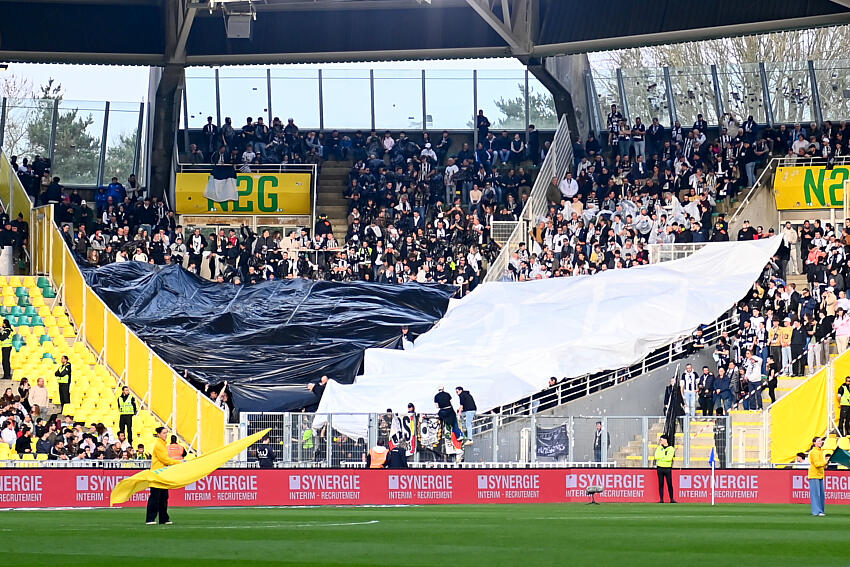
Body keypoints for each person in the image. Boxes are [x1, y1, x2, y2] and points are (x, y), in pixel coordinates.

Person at [146, 426, 181, 525]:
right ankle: (150, 519)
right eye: (164, 433)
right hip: (157, 475)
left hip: (162, 474)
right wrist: (178, 462)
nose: (166, 435)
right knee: (155, 497)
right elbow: (165, 459)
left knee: (163, 497)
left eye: (166, 433)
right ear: (159, 434)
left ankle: (164, 518)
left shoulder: (162, 444)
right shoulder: (159, 445)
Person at [808, 436, 829, 516]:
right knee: (816, 494)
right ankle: (816, 511)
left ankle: (821, 510)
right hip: (814, 474)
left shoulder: (821, 451)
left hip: (820, 474)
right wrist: (824, 463)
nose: (820, 442)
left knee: (821, 494)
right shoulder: (814, 452)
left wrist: (825, 464)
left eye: (821, 441)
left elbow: (821, 463)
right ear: (814, 443)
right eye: (819, 441)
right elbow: (817, 464)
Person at [655, 435, 676, 503]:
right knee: (661, 483)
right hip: (660, 467)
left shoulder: (671, 448)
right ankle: (661, 499)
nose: (660, 441)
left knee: (669, 483)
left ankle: (672, 499)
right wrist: (664, 456)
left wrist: (662, 457)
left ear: (665, 440)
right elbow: (656, 456)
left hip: (667, 468)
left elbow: (669, 458)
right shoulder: (659, 448)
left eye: (661, 440)